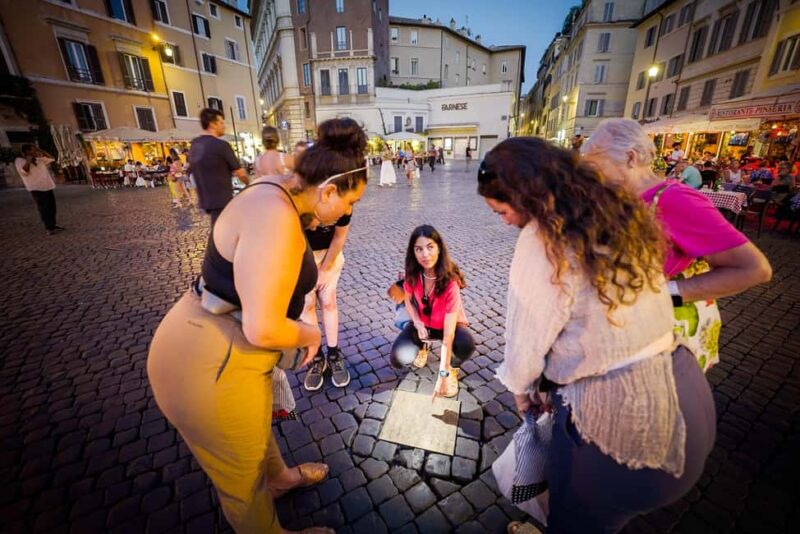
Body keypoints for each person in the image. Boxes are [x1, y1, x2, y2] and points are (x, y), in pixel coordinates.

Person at [479, 136, 715, 532]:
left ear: (526, 197)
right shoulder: (615, 213)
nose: (502, 220)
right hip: (686, 393)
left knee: (574, 522)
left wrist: (523, 391)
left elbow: (525, 346)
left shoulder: (542, 240)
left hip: (620, 422)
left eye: (501, 210)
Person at [147, 118, 367, 534]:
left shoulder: (273, 189)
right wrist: (311, 334)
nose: (348, 213)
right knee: (243, 486)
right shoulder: (277, 219)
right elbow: (262, 330)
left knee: (254, 432)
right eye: (350, 202)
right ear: (329, 190)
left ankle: (281, 480)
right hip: (211, 361)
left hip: (208, 337)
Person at [582, 118, 772, 366]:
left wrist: (668, 294)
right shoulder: (622, 199)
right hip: (623, 331)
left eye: (595, 166)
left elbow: (755, 269)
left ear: (630, 158)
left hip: (656, 337)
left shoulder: (676, 199)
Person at [390, 225, 475, 398]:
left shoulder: (450, 281)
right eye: (419, 249)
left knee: (466, 344)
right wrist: (417, 322)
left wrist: (442, 375)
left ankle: (452, 369)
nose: (425, 255)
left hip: (446, 326)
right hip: (423, 324)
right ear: (413, 252)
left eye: (430, 247)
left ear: (439, 248)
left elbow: (448, 334)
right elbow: (408, 299)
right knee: (399, 358)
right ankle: (423, 346)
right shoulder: (413, 273)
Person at [301, 211, 354, 391]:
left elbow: (339, 237)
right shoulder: (296, 200)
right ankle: (316, 357)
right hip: (299, 256)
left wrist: (324, 270)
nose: (315, 227)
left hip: (329, 254)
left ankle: (333, 354)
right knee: (307, 305)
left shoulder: (343, 202)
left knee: (329, 301)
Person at [188, 108, 251, 224]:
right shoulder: (221, 145)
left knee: (219, 232)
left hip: (206, 201)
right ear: (212, 124)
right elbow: (240, 173)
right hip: (222, 201)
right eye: (221, 122)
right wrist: (250, 184)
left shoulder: (194, 145)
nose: (224, 126)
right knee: (223, 234)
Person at [14, 145, 64, 235]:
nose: (35, 152)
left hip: (47, 185)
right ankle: (48, 227)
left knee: (52, 207)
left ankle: (53, 225)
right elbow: (24, 172)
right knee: (43, 208)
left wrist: (40, 149)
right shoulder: (19, 161)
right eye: (33, 150)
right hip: (36, 188)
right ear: (27, 151)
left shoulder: (39, 159)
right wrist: (28, 161)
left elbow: (52, 158)